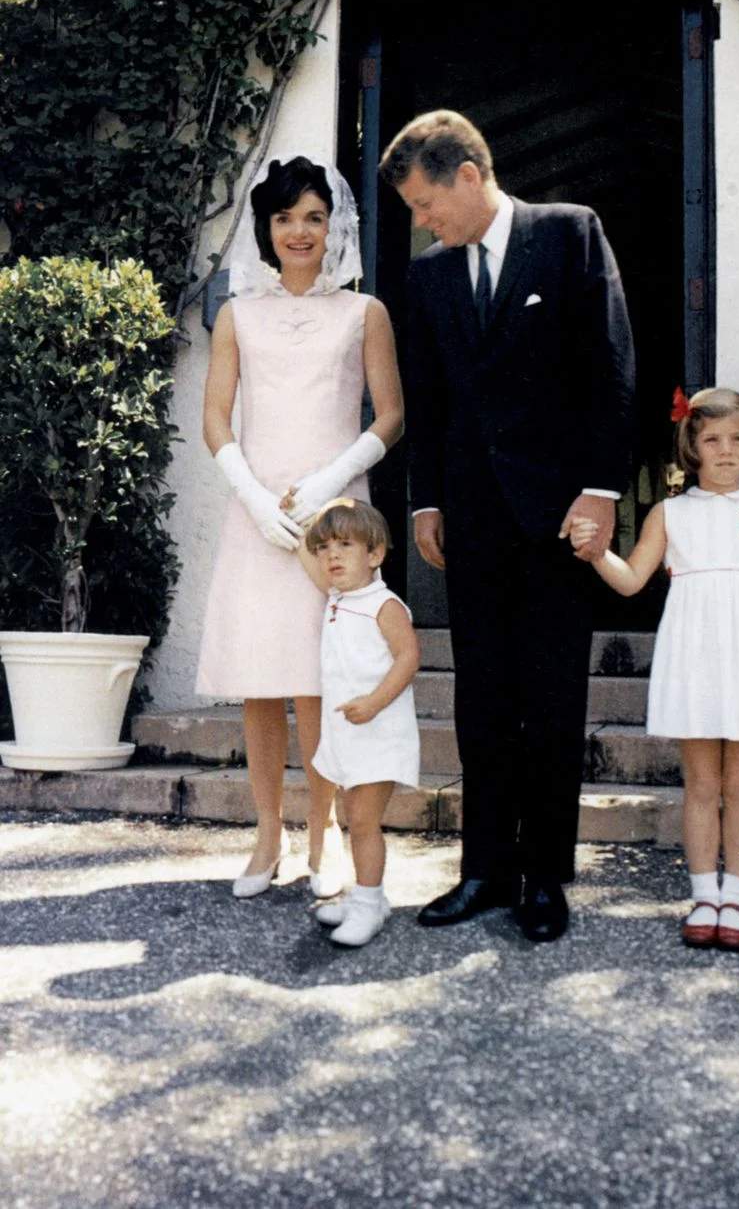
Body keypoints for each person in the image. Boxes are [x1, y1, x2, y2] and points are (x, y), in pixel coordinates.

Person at [379, 109, 635, 944]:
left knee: (552, 700)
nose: (420, 223)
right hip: (472, 518)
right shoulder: (428, 277)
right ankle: (484, 870)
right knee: (483, 698)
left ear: (467, 175)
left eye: (424, 204)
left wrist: (602, 491)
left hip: (560, 516)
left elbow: (611, 367)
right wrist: (424, 500)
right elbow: (430, 394)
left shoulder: (568, 234)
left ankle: (544, 879)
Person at [197, 149, 404, 900]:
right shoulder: (237, 315)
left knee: (322, 678)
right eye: (285, 217)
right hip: (261, 516)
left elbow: (392, 413)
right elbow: (216, 419)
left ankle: (324, 840)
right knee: (262, 681)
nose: (300, 231)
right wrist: (253, 495)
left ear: (334, 225)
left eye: (314, 217)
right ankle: (266, 835)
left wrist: (328, 481)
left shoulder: (363, 312)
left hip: (334, 519)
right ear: (267, 226)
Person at [571, 386, 739, 951]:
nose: (726, 451)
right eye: (712, 439)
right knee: (701, 785)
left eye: (738, 439)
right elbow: (630, 580)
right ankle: (704, 895)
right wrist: (596, 551)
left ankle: (737, 899)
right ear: (692, 447)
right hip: (696, 659)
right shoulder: (669, 513)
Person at [298, 497, 420, 947]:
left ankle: (370, 905)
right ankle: (366, 895)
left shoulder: (383, 605)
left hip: (379, 731)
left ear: (375, 554)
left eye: (345, 545)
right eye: (325, 546)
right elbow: (305, 550)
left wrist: (373, 702)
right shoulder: (338, 598)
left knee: (365, 822)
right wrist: (308, 512)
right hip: (349, 734)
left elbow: (408, 659)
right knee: (354, 818)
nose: (331, 555)